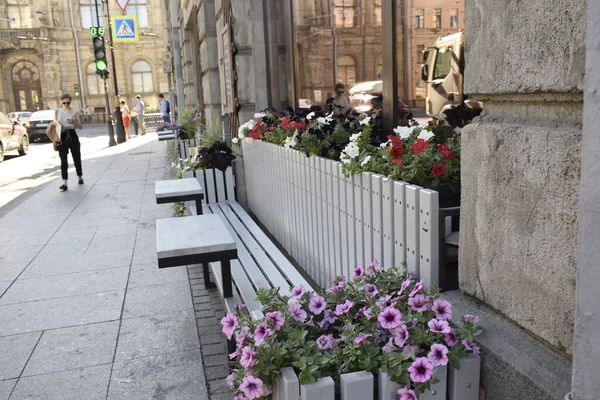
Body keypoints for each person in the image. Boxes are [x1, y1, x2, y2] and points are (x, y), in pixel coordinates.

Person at [53, 93, 83, 192]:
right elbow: (54, 123)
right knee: (63, 160)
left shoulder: (74, 112)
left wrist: (74, 122)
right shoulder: (57, 112)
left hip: (72, 134)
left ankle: (79, 176)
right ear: (61, 102)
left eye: (68, 103)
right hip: (62, 135)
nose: (66, 105)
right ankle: (64, 182)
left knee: (76, 157)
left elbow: (80, 126)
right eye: (64, 103)